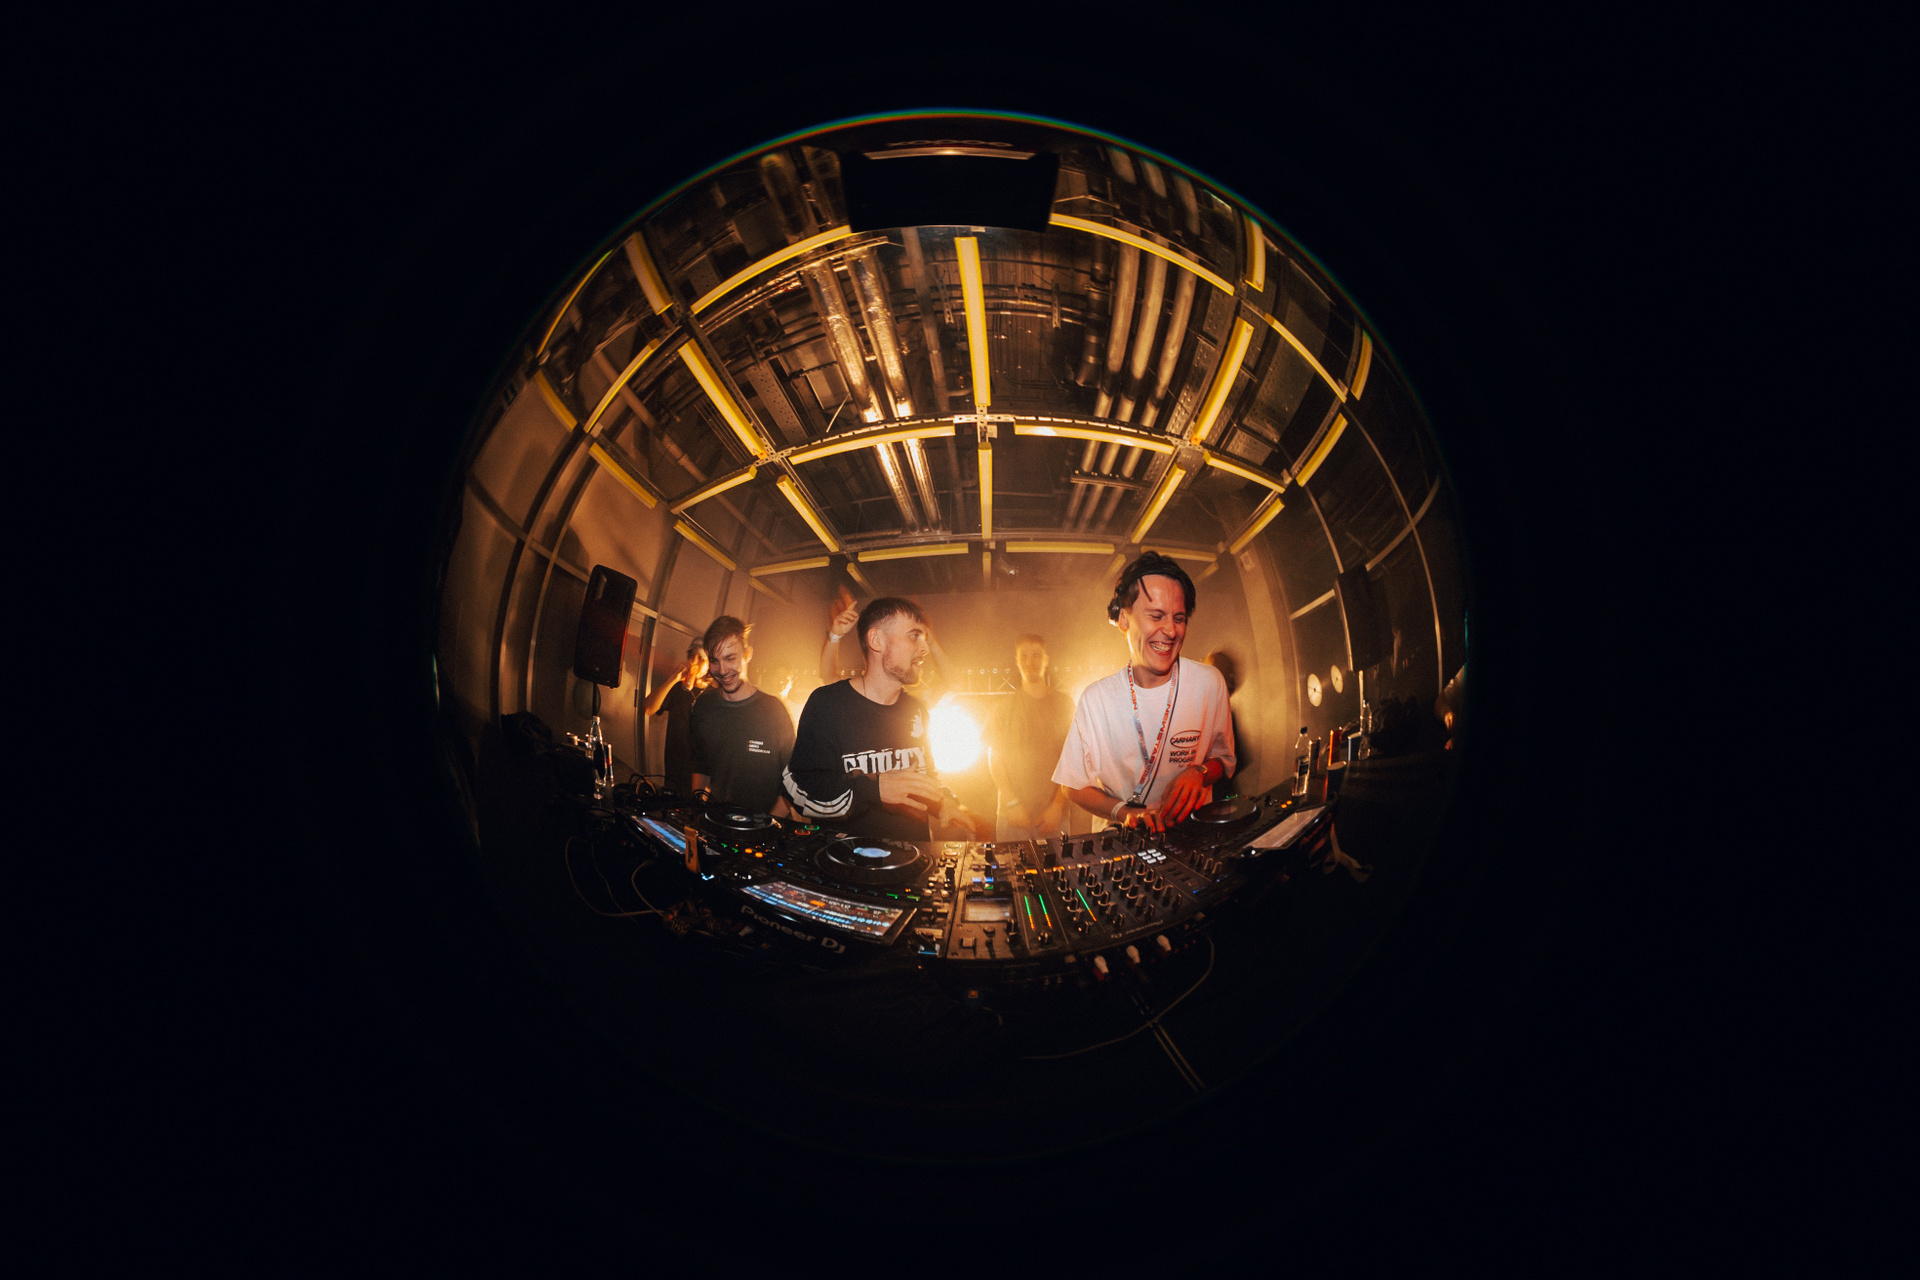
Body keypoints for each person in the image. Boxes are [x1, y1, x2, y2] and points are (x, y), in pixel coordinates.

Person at [1054, 552, 1236, 832]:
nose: (1171, 631)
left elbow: (1224, 760)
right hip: (1123, 839)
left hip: (1194, 835)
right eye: (1156, 616)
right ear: (1123, 619)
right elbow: (1072, 786)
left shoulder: (1209, 683)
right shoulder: (1096, 699)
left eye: (1179, 618)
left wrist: (1199, 772)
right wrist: (1124, 812)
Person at [784, 597, 980, 840]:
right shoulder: (827, 704)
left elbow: (924, 774)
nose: (925, 649)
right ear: (876, 641)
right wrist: (874, 790)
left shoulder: (916, 709)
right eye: (913, 636)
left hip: (913, 856)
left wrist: (943, 802)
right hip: (847, 858)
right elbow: (800, 791)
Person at [689, 616, 794, 816]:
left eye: (730, 659)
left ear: (747, 654)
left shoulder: (774, 711)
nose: (722, 670)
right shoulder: (703, 706)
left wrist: (768, 823)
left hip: (766, 824)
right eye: (714, 660)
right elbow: (700, 764)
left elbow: (794, 777)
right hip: (717, 821)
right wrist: (698, 811)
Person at [985, 634, 1074, 841]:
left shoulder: (1065, 704)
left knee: (1058, 864)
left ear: (1046, 659)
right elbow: (995, 759)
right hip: (1012, 816)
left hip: (1055, 817)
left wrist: (1057, 806)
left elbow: (1072, 759)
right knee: (1011, 864)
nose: (1030, 661)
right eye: (1024, 656)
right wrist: (1012, 803)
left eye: (1036, 655)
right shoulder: (1003, 708)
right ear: (1016, 661)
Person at [643, 638, 708, 798]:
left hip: (700, 780)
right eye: (691, 656)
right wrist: (673, 678)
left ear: (709, 664)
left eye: (700, 658)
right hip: (674, 774)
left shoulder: (714, 696)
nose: (694, 662)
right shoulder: (677, 688)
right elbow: (648, 708)